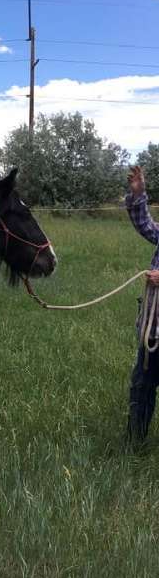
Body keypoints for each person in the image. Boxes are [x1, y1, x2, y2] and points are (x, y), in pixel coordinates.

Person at [125, 165, 159, 443]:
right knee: (142, 385)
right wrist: (139, 194)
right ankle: (135, 442)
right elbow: (146, 226)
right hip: (155, 331)